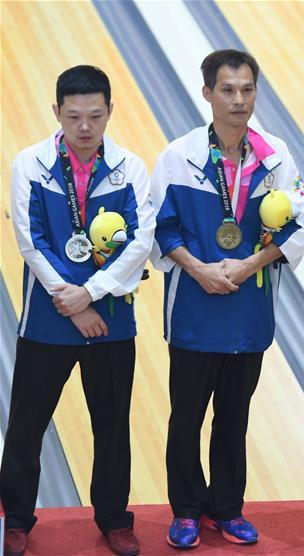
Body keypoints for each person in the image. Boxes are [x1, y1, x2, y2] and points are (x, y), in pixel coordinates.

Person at [150, 49, 304, 549]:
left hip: (248, 310)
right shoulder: (178, 157)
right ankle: (186, 510)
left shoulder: (277, 157)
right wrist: (199, 269)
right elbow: (160, 227)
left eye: (247, 89)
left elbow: (300, 227)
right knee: (186, 418)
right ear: (207, 94)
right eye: (228, 90)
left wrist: (247, 265)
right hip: (194, 310)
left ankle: (226, 508)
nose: (239, 99)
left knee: (234, 420)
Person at [2, 65, 153, 556]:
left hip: (108, 318)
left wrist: (89, 295)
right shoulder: (30, 162)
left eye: (94, 115)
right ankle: (16, 518)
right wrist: (72, 301)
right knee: (27, 423)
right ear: (56, 113)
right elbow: (30, 240)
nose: (84, 127)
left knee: (111, 425)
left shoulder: (130, 167)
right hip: (49, 316)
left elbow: (139, 241)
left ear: (110, 111)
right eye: (73, 116)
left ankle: (113, 518)